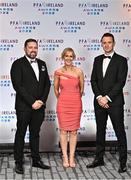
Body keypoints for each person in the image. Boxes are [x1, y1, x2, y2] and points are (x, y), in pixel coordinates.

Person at [86, 33, 128, 173]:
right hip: (99, 102)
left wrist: (107, 98)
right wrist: (99, 97)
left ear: (114, 43)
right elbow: (93, 80)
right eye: (104, 42)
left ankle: (123, 162)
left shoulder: (122, 60)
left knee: (119, 132)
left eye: (109, 42)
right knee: (100, 131)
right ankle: (99, 159)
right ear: (101, 43)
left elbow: (120, 82)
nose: (107, 45)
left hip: (114, 102)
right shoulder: (97, 59)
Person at [10, 38, 51, 174]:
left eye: (35, 47)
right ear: (25, 49)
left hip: (39, 106)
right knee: (20, 133)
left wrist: (41, 101)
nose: (33, 50)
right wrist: (32, 102)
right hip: (24, 107)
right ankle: (19, 162)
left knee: (35, 134)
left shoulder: (42, 64)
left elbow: (47, 85)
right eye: (30, 47)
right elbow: (18, 86)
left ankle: (36, 160)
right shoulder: (17, 64)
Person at [54, 48, 84, 168]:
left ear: (73, 58)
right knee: (63, 131)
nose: (68, 58)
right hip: (63, 103)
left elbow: (81, 89)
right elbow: (56, 89)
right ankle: (64, 156)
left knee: (74, 131)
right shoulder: (58, 72)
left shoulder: (79, 72)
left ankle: (72, 157)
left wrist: (75, 97)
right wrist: (62, 98)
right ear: (63, 57)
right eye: (66, 56)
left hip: (75, 103)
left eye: (71, 56)